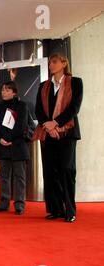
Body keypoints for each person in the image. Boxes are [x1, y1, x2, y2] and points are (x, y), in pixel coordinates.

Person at [34, 53, 83, 223]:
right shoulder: (43, 86)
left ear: (64, 63)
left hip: (67, 133)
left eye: (54, 62)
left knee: (66, 170)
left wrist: (56, 123)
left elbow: (74, 108)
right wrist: (49, 127)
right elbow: (38, 110)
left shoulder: (75, 82)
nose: (51, 65)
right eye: (49, 63)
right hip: (48, 134)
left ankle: (70, 210)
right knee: (50, 171)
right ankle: (55, 209)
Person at [0, 81, 30, 215]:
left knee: (20, 176)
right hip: (2, 145)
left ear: (14, 92)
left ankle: (19, 204)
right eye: (2, 90)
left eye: (7, 90)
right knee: (4, 176)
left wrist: (10, 139)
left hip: (17, 145)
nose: (4, 92)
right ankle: (3, 203)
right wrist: (0, 138)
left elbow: (21, 125)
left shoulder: (21, 106)